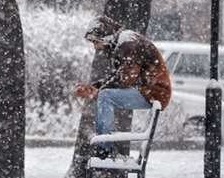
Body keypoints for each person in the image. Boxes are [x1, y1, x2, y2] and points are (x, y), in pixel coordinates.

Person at [73, 16, 171, 158]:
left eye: (96, 41)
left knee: (105, 96)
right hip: (149, 91)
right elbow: (119, 76)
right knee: (103, 95)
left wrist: (98, 91)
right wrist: (94, 87)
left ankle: (103, 149)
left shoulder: (128, 43)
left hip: (154, 92)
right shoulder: (124, 41)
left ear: (105, 35)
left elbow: (125, 78)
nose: (95, 47)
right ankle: (102, 144)